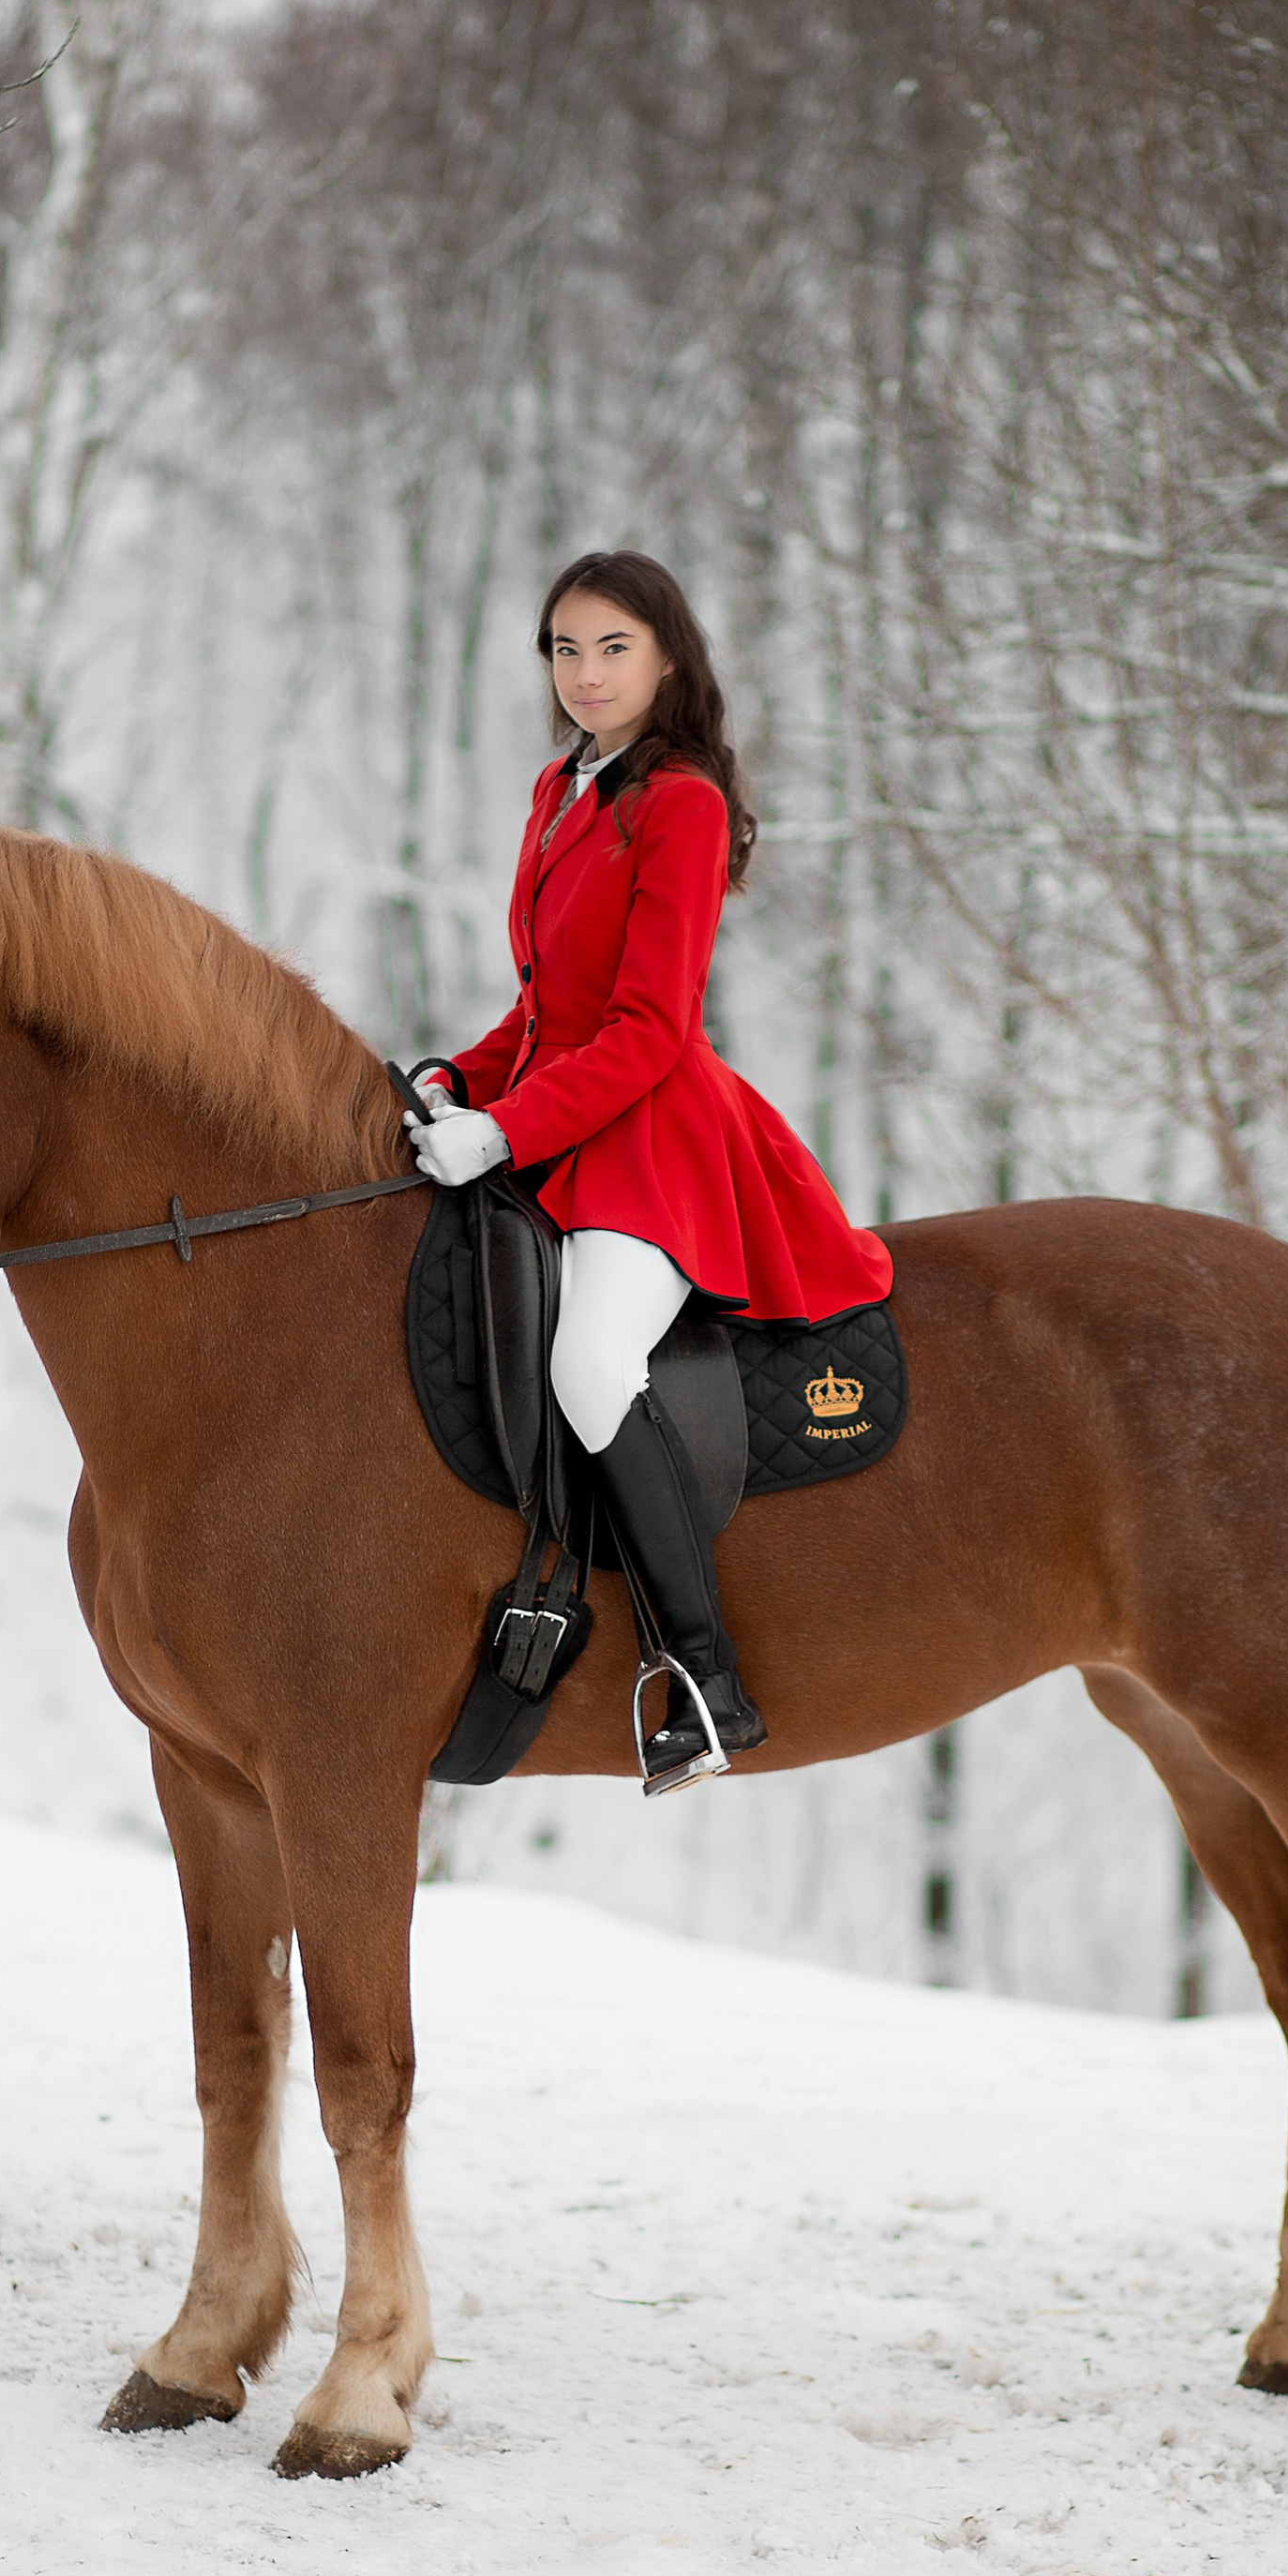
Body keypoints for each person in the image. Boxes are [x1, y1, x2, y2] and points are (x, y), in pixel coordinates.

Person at [409, 549, 892, 1788]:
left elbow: (645, 1027)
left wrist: (507, 1131)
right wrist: (461, 1078)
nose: (586, 674)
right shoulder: (559, 789)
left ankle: (706, 1680)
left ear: (668, 658)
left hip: (652, 1136)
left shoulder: (680, 801)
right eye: (565, 650)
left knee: (590, 1358)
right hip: (561, 1106)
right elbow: (542, 1010)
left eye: (612, 648)